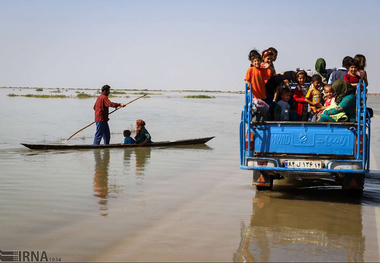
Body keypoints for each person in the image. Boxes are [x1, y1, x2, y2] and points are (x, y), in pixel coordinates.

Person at [244, 49, 273, 121]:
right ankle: (254, 122)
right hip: (254, 95)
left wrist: (268, 67)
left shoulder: (262, 70)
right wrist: (249, 86)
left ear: (261, 61)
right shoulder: (250, 69)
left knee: (263, 111)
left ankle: (261, 122)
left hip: (262, 95)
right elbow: (247, 80)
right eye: (255, 61)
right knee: (255, 111)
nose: (257, 62)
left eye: (258, 61)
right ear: (252, 62)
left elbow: (269, 75)